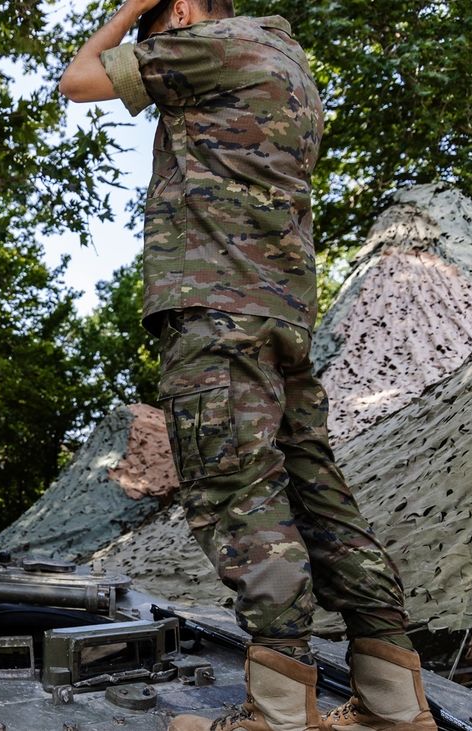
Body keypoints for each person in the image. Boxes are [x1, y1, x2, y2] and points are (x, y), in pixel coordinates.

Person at [60, 2, 433, 730]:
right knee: (314, 487)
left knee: (236, 488)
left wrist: (132, 8)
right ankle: (394, 699)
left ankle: (279, 713)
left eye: (154, 33)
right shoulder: (289, 62)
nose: (151, 48)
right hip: (282, 311)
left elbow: (76, 80)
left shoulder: (207, 44)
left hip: (216, 308)